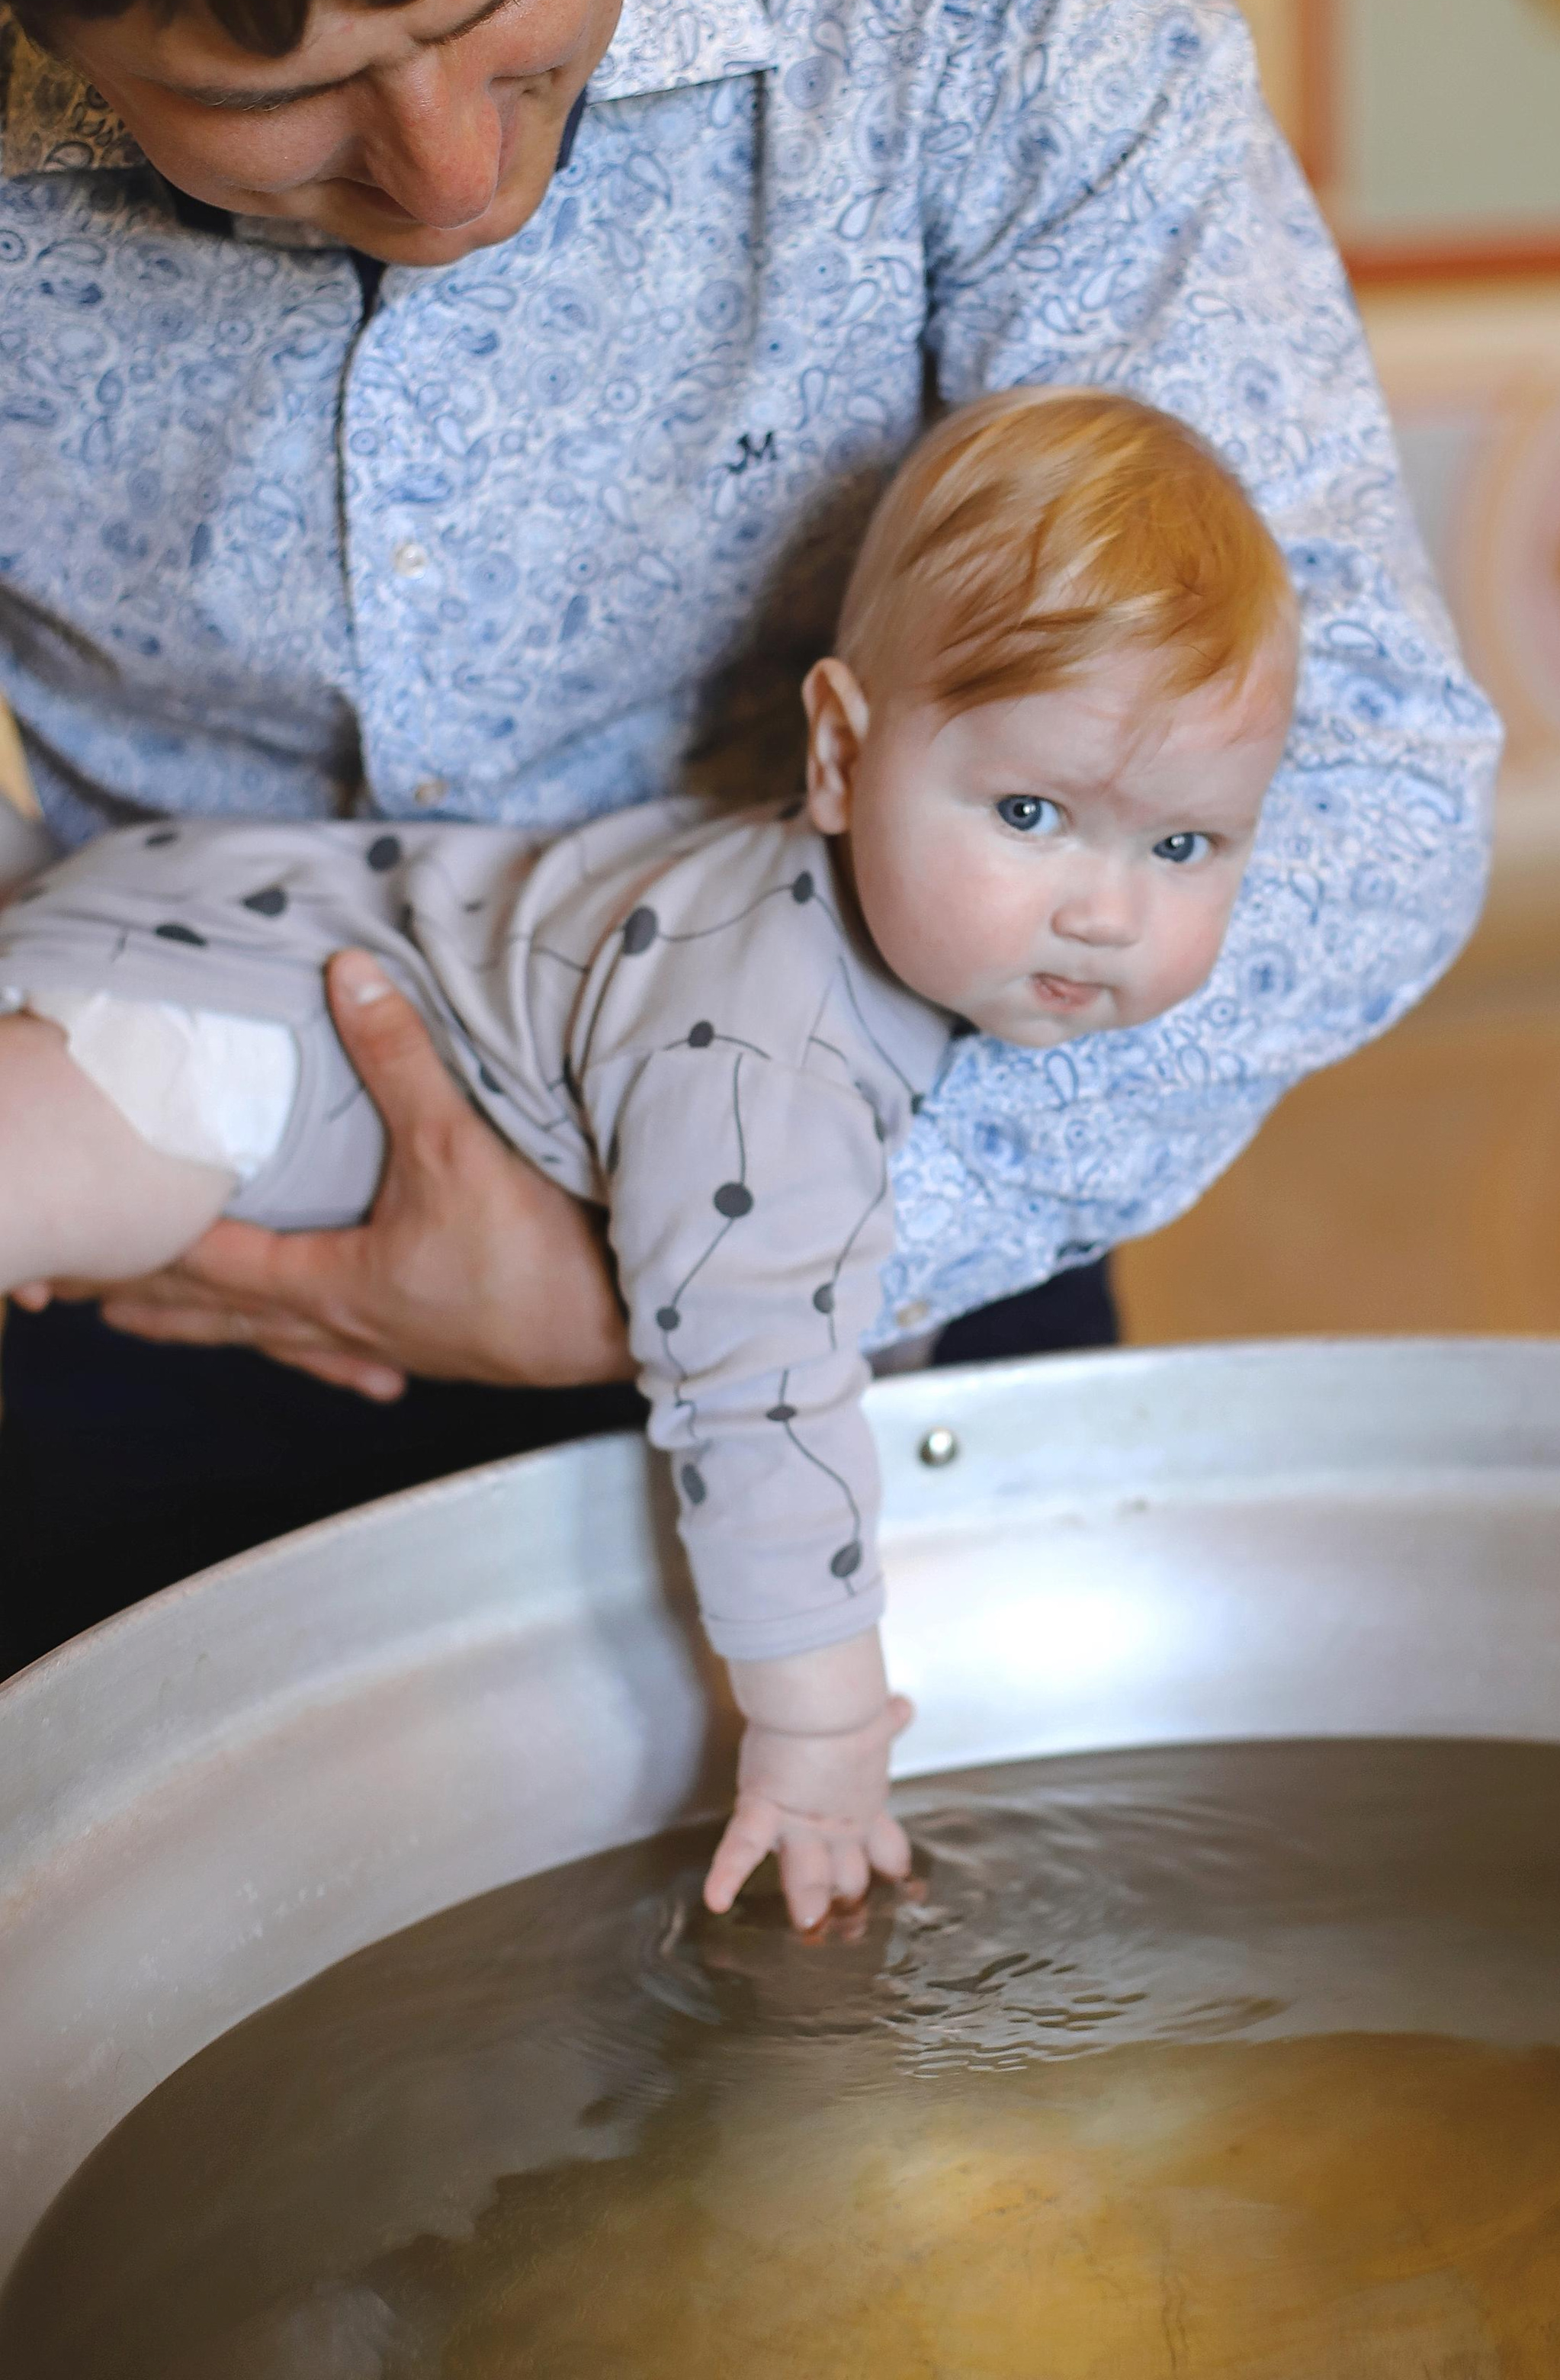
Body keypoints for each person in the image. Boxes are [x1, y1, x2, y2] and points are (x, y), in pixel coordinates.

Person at [0, 0, 1499, 1671]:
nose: (443, 173)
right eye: (272, 99)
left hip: (888, 1173)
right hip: (175, 1231)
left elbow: (1367, 776)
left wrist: (704, 1270)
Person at [0, 388, 1302, 1919]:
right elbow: (758, 1391)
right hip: (245, 1024)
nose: (1106, 908)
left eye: (1181, 847)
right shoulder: (771, 1057)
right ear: (837, 757)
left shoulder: (871, 920)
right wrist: (818, 1732)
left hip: (251, 908)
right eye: (1030, 811)